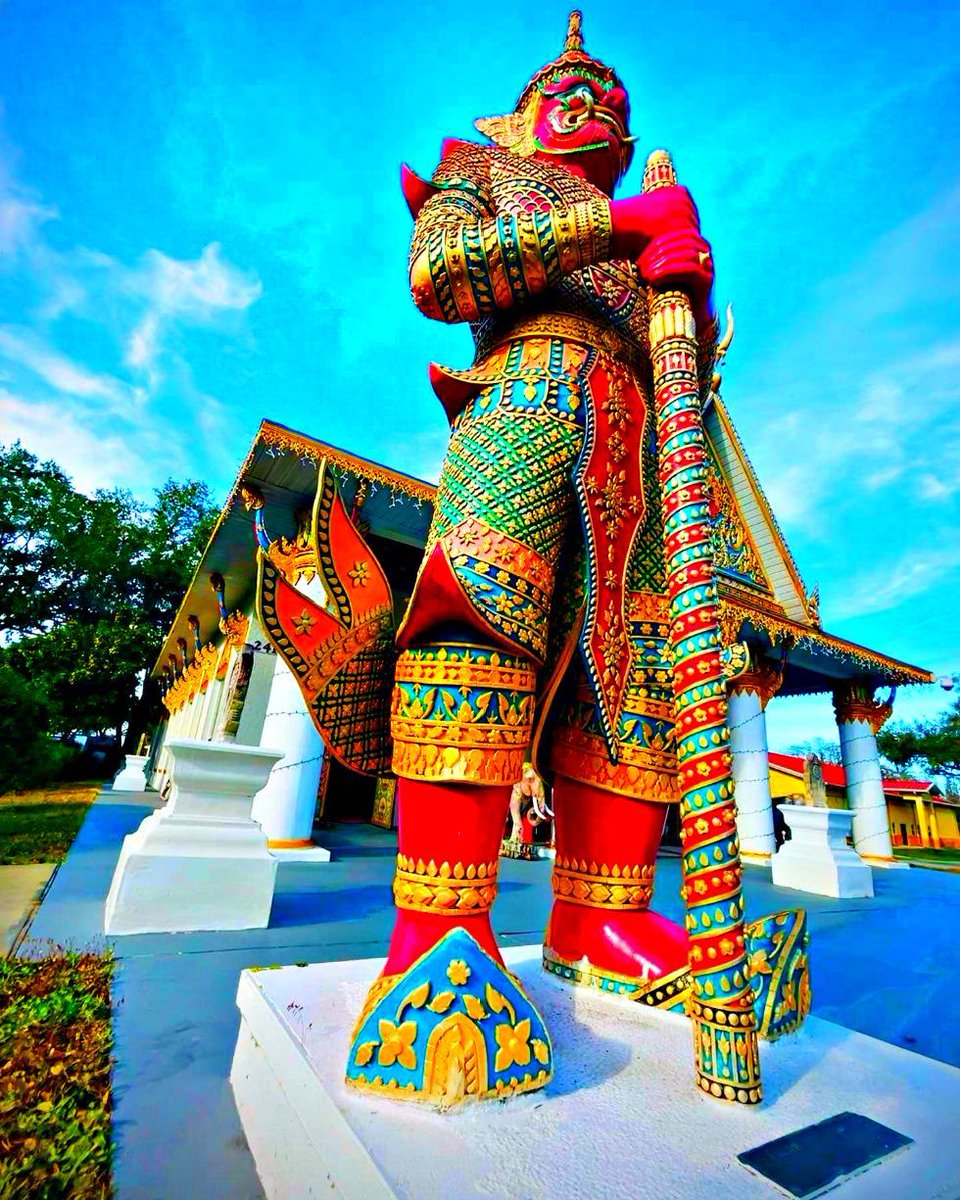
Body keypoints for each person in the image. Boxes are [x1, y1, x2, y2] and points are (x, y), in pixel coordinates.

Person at [345, 10, 718, 1105]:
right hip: (524, 399)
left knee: (640, 668)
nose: (595, 108)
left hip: (634, 440)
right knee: (479, 618)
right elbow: (441, 278)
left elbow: (692, 386)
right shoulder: (486, 174)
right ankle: (439, 931)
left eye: (613, 101)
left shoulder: (638, 235)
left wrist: (681, 293)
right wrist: (611, 221)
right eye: (575, 93)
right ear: (524, 112)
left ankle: (600, 912)